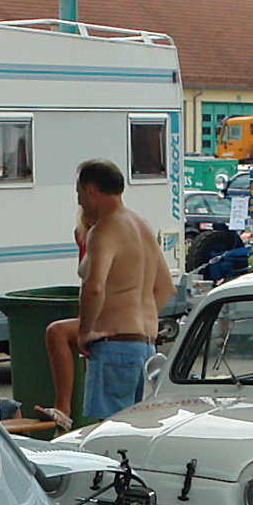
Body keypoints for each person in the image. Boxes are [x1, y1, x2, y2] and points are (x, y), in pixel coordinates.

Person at [73, 158, 171, 420]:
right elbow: (165, 287)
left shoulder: (104, 229)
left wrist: (85, 332)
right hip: (145, 346)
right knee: (130, 430)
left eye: (79, 193)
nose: (79, 201)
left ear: (91, 190)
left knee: (106, 435)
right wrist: (139, 319)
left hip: (114, 344)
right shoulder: (142, 225)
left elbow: (94, 287)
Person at [37, 211, 94, 430]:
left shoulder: (109, 234)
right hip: (90, 313)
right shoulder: (85, 234)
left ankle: (64, 410)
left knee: (58, 332)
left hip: (106, 316)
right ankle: (67, 411)